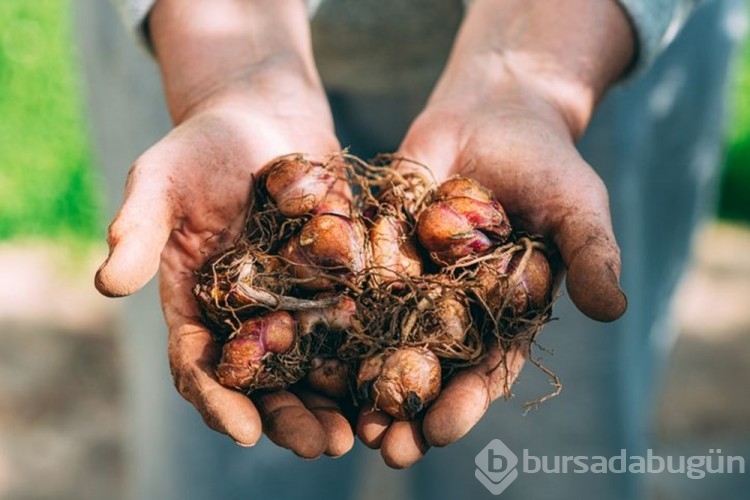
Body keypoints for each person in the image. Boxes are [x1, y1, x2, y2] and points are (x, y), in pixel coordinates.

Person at [75, 0, 743, 498]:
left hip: (580, 31)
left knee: (546, 471)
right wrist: (231, 66)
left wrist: (534, 75)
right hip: (204, 30)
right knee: (221, 476)